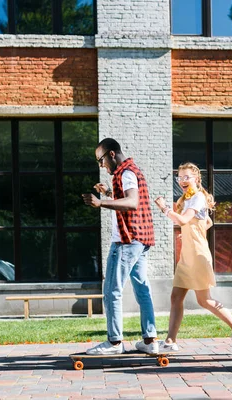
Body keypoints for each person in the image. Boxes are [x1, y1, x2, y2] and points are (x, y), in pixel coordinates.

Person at [155, 162, 232, 354]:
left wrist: (164, 208)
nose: (182, 181)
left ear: (196, 178)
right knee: (176, 297)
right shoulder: (189, 199)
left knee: (204, 300)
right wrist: (190, 231)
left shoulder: (197, 198)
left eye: (186, 177)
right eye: (179, 177)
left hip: (197, 255)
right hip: (187, 255)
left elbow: (182, 220)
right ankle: (170, 340)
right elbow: (208, 221)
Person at [82, 138, 159, 355]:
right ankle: (150, 340)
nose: (101, 165)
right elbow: (127, 197)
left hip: (127, 241)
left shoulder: (126, 172)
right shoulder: (131, 171)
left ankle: (114, 343)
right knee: (142, 289)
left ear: (112, 154)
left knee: (111, 291)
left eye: (101, 159)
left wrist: (100, 202)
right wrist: (108, 193)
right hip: (141, 240)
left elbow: (131, 202)